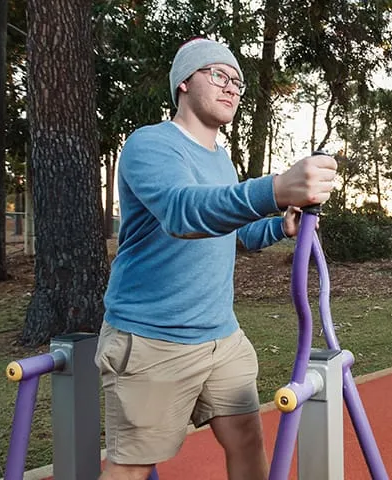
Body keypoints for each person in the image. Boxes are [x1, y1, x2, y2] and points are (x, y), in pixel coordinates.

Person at [95, 37, 337, 480]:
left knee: (247, 439)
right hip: (153, 338)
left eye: (239, 84)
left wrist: (277, 225)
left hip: (220, 337)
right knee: (131, 466)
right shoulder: (150, 145)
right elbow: (183, 212)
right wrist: (275, 188)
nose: (231, 88)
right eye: (219, 75)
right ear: (184, 82)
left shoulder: (221, 161)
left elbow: (233, 232)